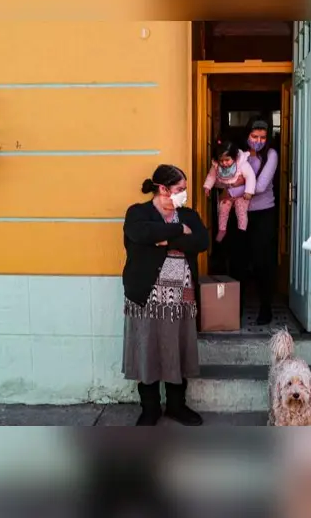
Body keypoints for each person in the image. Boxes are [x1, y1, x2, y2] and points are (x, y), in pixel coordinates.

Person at [122, 164, 210, 426]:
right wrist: (178, 230)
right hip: (146, 296)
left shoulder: (189, 215)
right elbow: (140, 234)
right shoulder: (138, 213)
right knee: (147, 350)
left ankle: (176, 406)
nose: (184, 193)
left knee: (177, 351)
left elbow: (201, 241)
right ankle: (150, 409)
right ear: (163, 189)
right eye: (180, 189)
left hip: (181, 299)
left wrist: (164, 240)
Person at [223, 119, 279, 325]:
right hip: (239, 213)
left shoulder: (271, 155)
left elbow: (261, 186)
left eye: (262, 137)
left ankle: (266, 308)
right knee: (238, 261)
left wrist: (232, 191)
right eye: (254, 136)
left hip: (263, 214)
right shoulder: (238, 154)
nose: (258, 141)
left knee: (263, 263)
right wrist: (232, 186)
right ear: (247, 135)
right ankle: (235, 308)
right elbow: (224, 177)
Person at [203, 139, 256, 243]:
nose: (224, 163)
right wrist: (207, 186)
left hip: (241, 194)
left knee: (241, 210)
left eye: (227, 160)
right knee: (223, 208)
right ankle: (222, 230)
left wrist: (249, 191)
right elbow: (211, 176)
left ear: (235, 157)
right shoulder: (216, 166)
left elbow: (250, 176)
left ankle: (242, 230)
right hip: (227, 193)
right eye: (221, 160)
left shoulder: (242, 164)